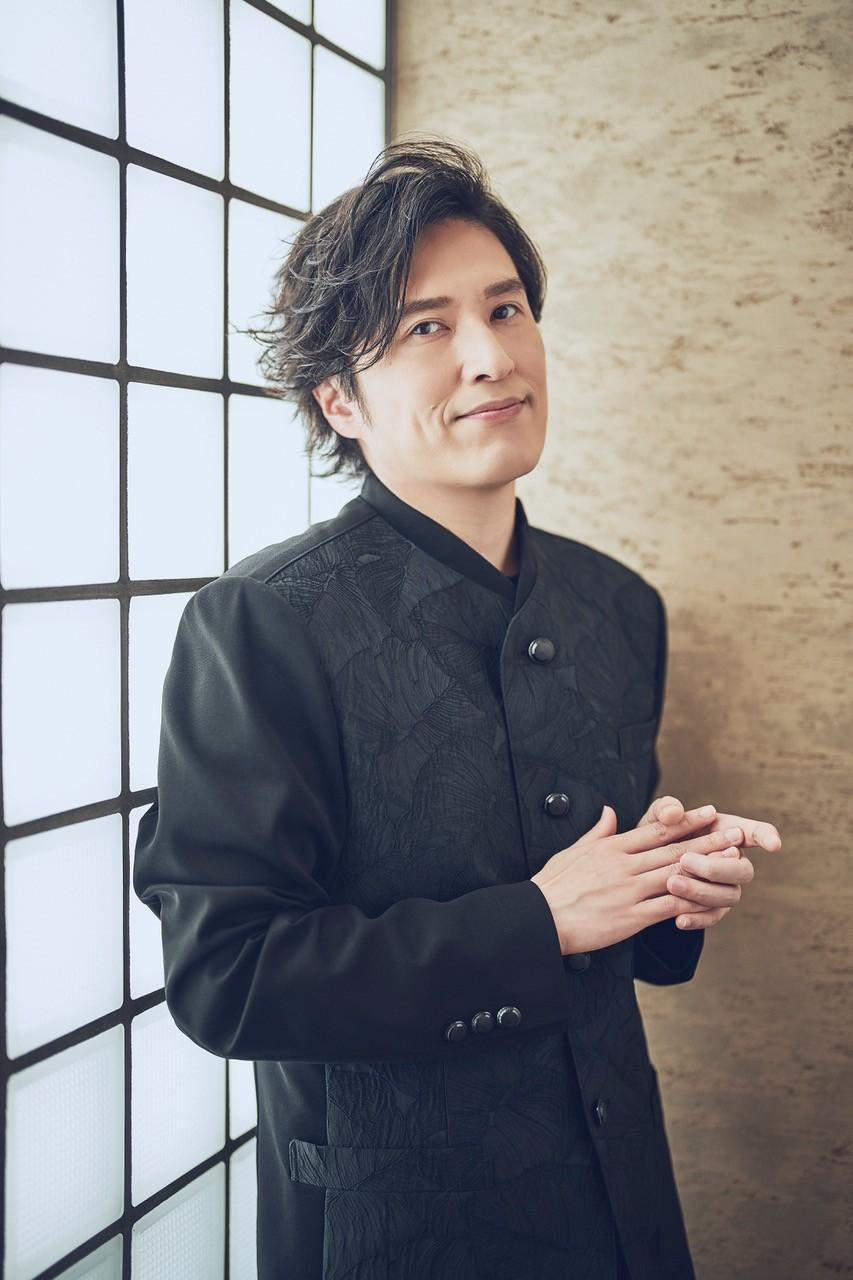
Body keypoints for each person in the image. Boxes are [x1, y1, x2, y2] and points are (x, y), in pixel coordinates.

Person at [132, 136, 781, 1279]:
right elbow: (227, 974)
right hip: (395, 1234)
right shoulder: (261, 621)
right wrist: (538, 921)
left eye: (506, 308)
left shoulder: (619, 604)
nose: (490, 355)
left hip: (623, 1207)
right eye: (426, 327)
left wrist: (670, 884)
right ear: (339, 398)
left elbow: (608, 931)